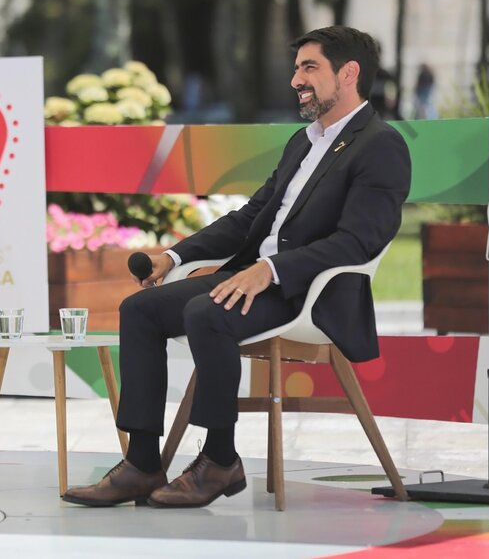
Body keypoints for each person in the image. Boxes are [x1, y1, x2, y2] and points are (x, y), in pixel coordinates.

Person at [62, 26, 411, 509]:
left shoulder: (380, 145)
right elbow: (249, 218)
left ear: (349, 73)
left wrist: (272, 270)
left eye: (310, 67)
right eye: (297, 68)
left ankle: (220, 460)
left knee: (207, 312)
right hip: (254, 278)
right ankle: (142, 463)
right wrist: (174, 256)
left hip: (307, 293)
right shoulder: (303, 142)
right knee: (140, 309)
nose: (296, 80)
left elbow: (359, 240)